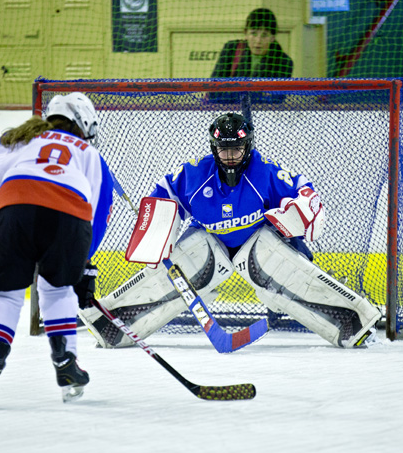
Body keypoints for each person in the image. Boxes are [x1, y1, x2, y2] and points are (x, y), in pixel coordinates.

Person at [80, 112, 381, 351]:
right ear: (214, 148)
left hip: (257, 241)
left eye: (236, 148)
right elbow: (165, 192)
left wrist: (300, 212)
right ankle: (110, 324)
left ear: (247, 146)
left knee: (272, 260)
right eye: (224, 149)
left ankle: (354, 320)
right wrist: (160, 226)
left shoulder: (264, 171)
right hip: (211, 243)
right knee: (192, 262)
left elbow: (304, 190)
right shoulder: (197, 172)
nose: (231, 155)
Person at [0, 92, 114, 408]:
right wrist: (84, 262)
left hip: (14, 212)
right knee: (57, 291)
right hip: (68, 218)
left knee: (5, 295)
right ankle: (66, 364)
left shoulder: (17, 140)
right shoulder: (89, 153)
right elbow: (98, 209)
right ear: (83, 124)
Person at [211, 8, 293, 79]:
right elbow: (214, 87)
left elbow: (277, 96)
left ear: (272, 38)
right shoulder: (231, 49)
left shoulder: (284, 62)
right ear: (245, 33)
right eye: (253, 33)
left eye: (264, 35)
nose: (258, 40)